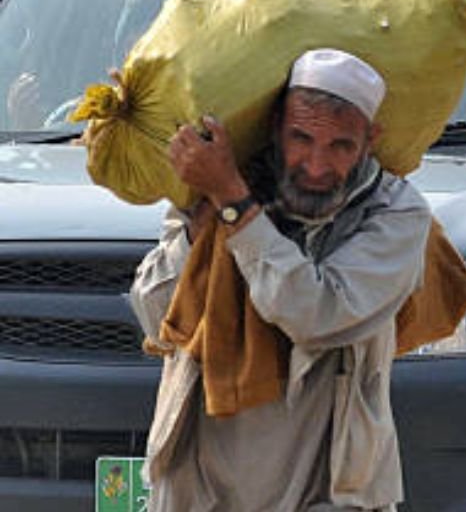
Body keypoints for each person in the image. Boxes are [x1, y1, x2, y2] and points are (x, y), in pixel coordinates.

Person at [130, 49, 426, 511]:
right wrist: (204, 217)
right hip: (200, 485)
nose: (315, 164)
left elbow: (317, 315)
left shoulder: (395, 213)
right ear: (274, 129)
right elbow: (158, 316)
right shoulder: (214, 184)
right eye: (301, 138)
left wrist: (236, 206)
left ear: (371, 140)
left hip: (323, 489)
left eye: (340, 146)